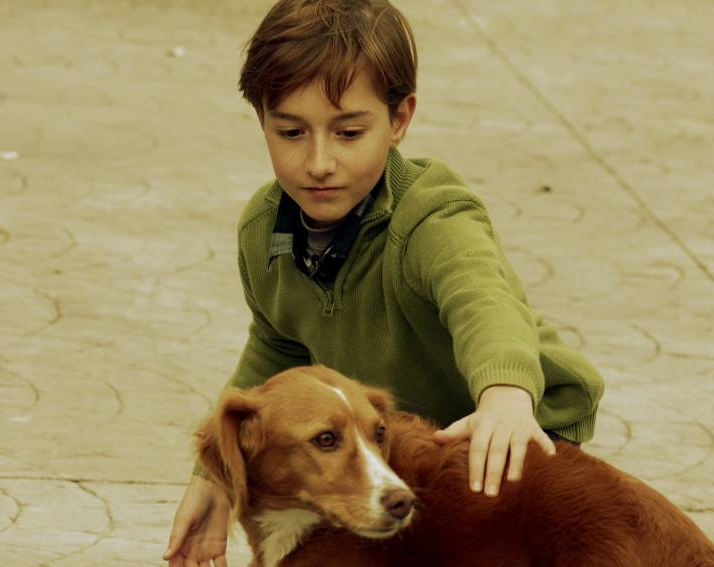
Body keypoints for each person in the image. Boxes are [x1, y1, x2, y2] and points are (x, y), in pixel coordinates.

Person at [164, 1, 606, 565]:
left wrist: (506, 399)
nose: (318, 162)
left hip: (510, 431)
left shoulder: (434, 218)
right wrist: (217, 473)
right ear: (262, 122)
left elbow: (484, 306)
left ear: (399, 121)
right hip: (384, 451)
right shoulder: (264, 227)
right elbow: (276, 347)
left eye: (349, 132)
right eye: (291, 132)